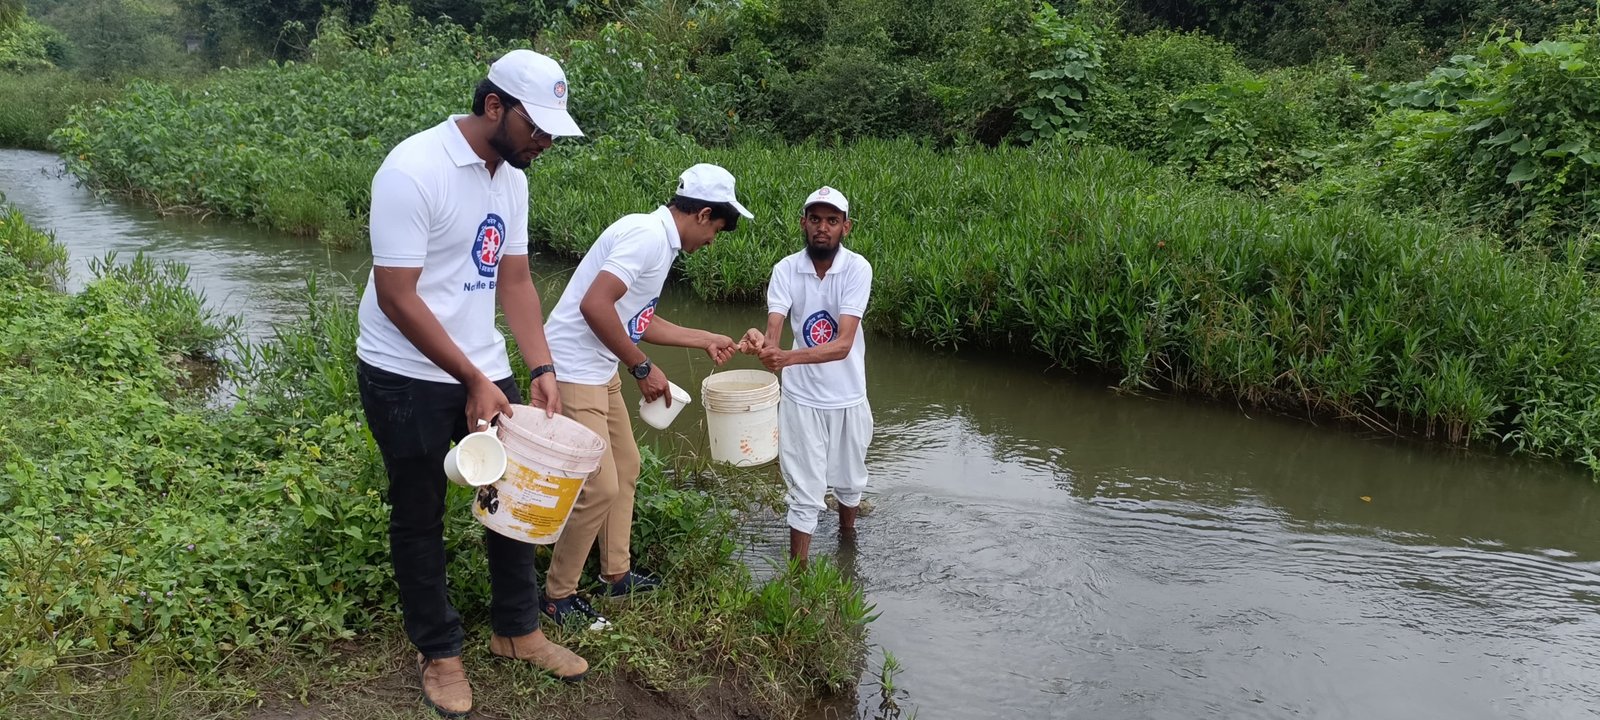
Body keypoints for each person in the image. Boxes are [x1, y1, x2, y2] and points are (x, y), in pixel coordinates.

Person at [354, 49, 588, 718]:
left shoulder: (510, 178)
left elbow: (513, 278)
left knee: (514, 496)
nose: (544, 143)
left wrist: (539, 367)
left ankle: (518, 630)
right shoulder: (413, 169)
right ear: (494, 107)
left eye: (551, 132)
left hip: (481, 365)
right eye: (535, 127)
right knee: (419, 508)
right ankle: (439, 651)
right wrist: (471, 378)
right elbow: (397, 295)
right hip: (405, 372)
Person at [539, 163, 752, 629]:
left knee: (627, 465)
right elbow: (594, 305)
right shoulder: (647, 237)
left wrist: (703, 338)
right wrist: (641, 367)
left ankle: (615, 574)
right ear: (702, 214)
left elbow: (635, 318)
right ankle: (558, 596)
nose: (712, 241)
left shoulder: (659, 240)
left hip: (599, 367)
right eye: (716, 229)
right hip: (574, 369)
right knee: (599, 485)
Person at [740, 186, 874, 568]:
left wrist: (786, 357)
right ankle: (798, 577)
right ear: (803, 223)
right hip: (801, 400)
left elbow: (843, 344)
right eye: (815, 219)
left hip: (848, 395)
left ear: (846, 227)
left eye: (832, 220)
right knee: (804, 490)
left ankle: (847, 541)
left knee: (850, 480)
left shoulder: (857, 269)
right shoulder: (785, 269)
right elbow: (774, 333)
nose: (822, 227)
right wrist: (762, 344)